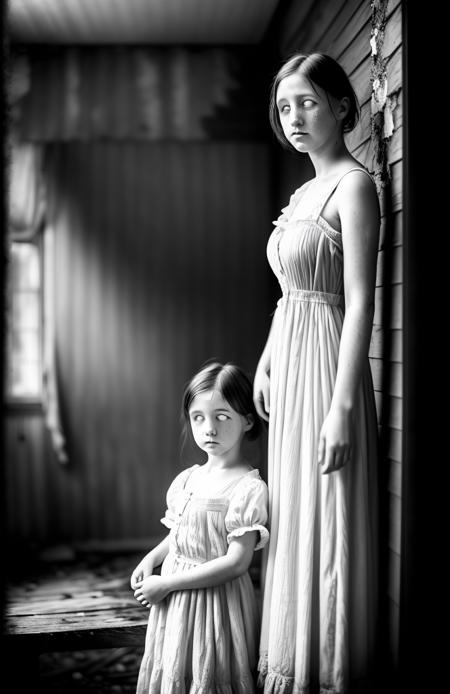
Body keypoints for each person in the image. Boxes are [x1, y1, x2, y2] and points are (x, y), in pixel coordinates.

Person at [253, 53, 380, 693]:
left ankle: (326, 668)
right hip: (292, 362)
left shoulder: (354, 186)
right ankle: (289, 657)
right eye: (285, 106)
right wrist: (267, 358)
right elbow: (289, 293)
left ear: (340, 106)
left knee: (326, 509)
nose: (295, 117)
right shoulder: (302, 191)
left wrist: (343, 407)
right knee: (295, 506)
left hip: (330, 366)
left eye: (307, 102)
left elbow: (359, 300)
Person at [131, 361, 269, 693]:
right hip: (176, 601)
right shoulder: (188, 479)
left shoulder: (247, 488)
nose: (209, 428)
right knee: (176, 664)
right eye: (199, 417)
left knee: (208, 671)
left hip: (214, 602)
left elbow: (237, 562)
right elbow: (179, 532)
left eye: (222, 417)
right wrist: (151, 559)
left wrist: (168, 584)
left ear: (247, 420)